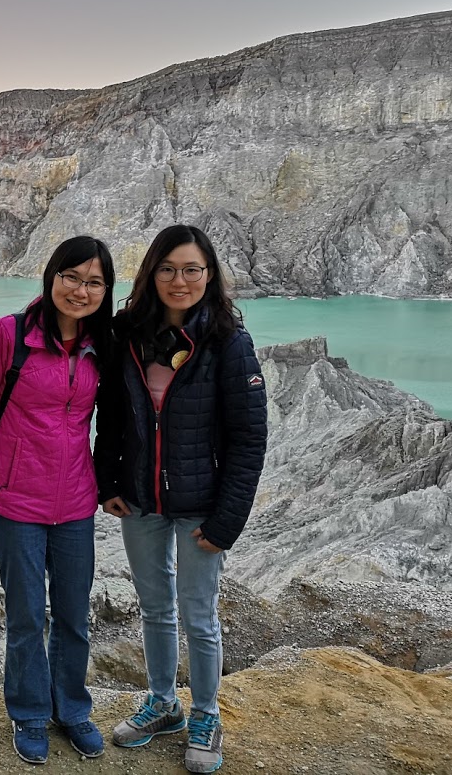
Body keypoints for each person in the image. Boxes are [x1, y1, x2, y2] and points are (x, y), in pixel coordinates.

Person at [94, 224, 267, 774]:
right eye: (168, 269)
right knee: (154, 609)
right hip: (141, 501)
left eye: (192, 270)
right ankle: (164, 703)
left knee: (199, 614)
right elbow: (113, 417)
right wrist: (109, 482)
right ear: (152, 274)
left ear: (209, 276)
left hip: (202, 506)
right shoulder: (130, 335)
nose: (180, 280)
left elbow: (248, 438)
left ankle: (206, 713)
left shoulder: (228, 343)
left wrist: (228, 521)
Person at [0, 235, 116, 765]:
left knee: (73, 612)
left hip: (74, 499)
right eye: (72, 276)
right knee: (27, 613)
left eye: (94, 282)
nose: (80, 290)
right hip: (12, 497)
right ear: (50, 276)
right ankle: (28, 712)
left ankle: (71, 709)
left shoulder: (102, 345)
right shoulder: (7, 337)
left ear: (106, 291)